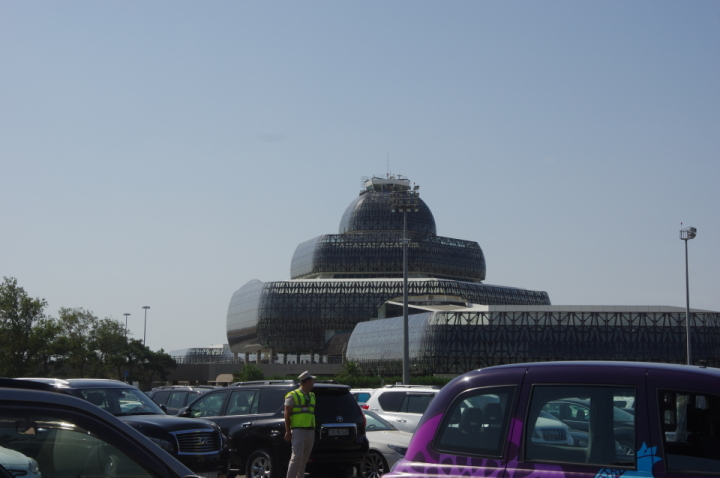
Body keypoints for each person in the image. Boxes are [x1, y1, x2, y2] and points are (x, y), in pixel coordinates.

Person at [284, 371, 316, 478]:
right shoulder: (292, 395)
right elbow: (287, 414)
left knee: (304, 460)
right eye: (312, 380)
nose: (314, 383)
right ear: (308, 382)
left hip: (310, 431)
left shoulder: (312, 395)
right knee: (296, 458)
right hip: (298, 431)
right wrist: (288, 431)